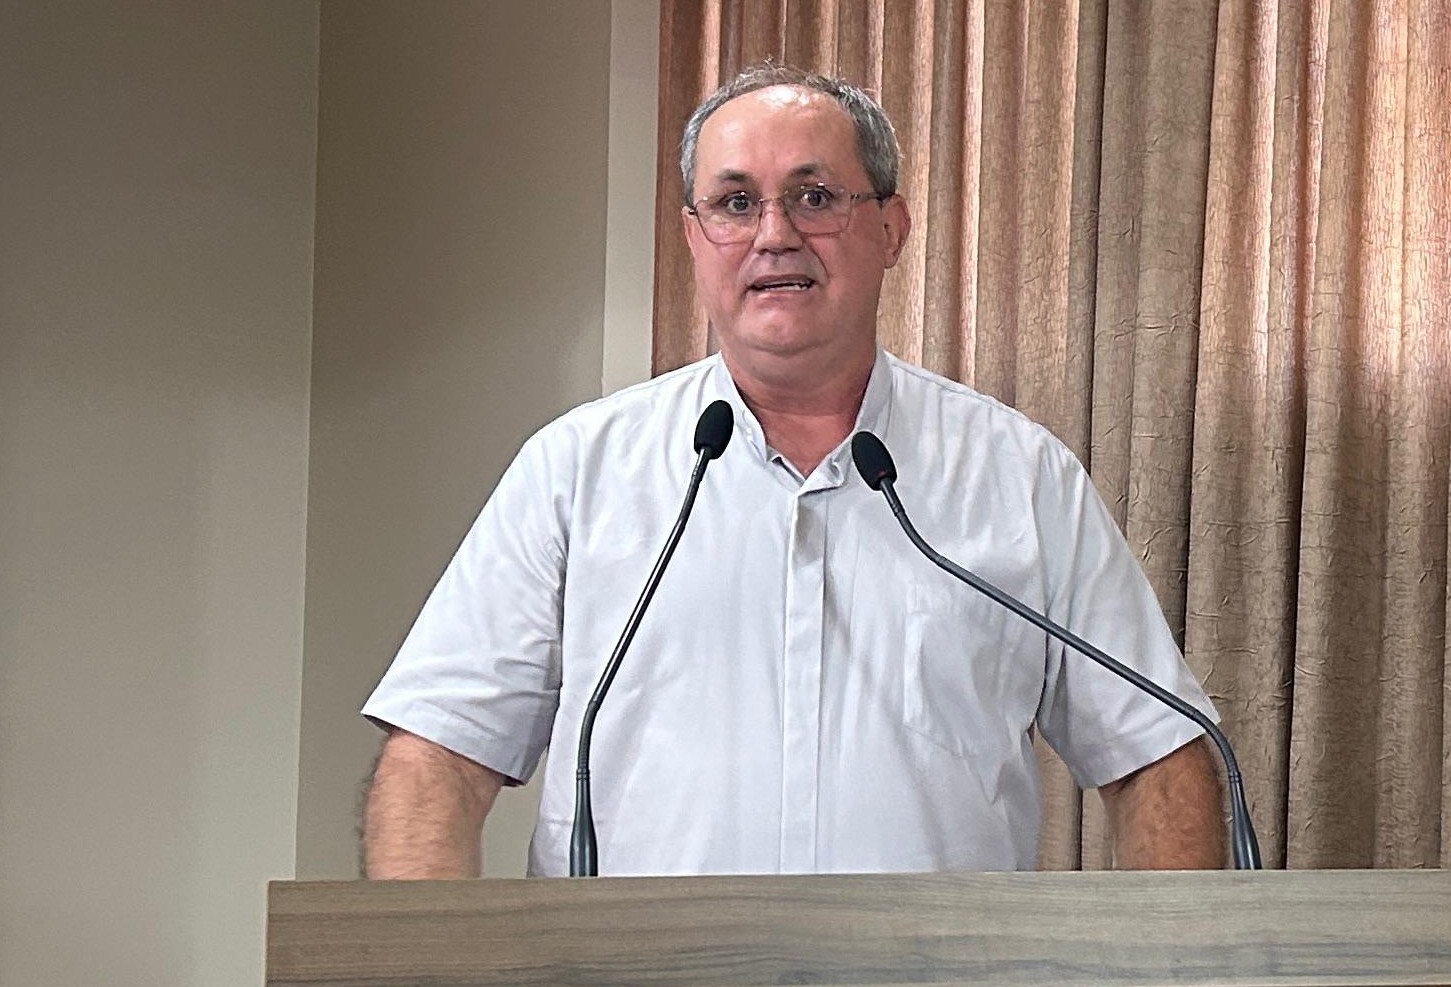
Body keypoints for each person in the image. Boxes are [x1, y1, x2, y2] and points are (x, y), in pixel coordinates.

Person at [360, 63, 1225, 879]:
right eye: (736, 203)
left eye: (815, 198)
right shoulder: (578, 472)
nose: (775, 235)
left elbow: (1159, 751)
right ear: (694, 238)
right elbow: (438, 754)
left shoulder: (1018, 476)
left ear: (891, 229)